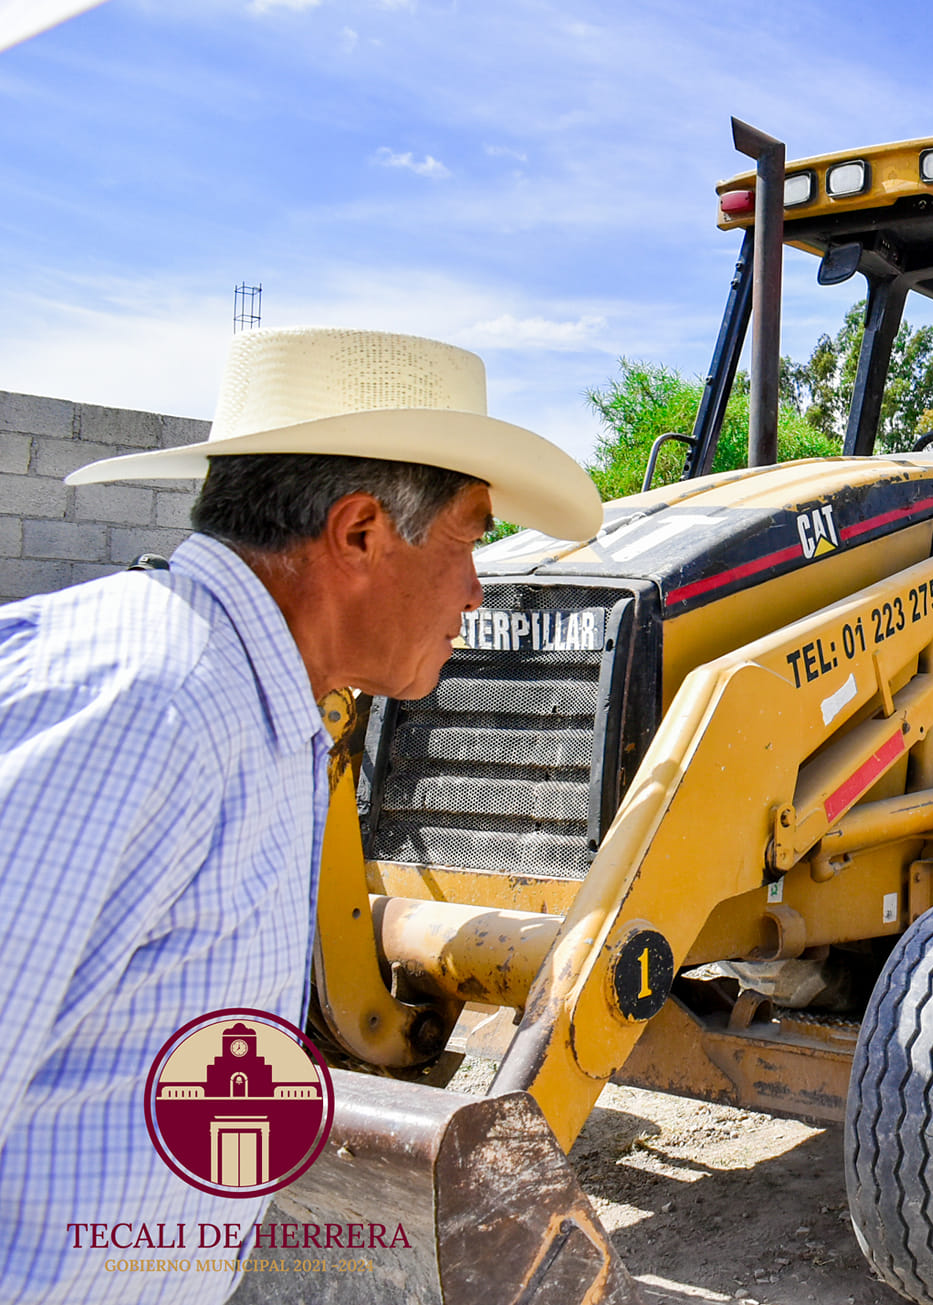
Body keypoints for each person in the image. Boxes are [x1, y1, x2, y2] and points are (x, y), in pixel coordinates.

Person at [0, 327, 601, 1304]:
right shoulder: (147, 705)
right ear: (361, 531)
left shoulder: (261, 714)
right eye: (469, 538)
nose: (475, 591)